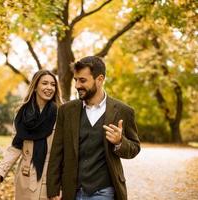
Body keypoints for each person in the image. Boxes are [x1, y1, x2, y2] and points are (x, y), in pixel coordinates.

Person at [47, 56, 141, 200]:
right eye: (76, 80)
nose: (77, 85)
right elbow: (57, 152)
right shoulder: (66, 110)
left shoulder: (123, 111)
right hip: (71, 191)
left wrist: (119, 142)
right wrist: (53, 188)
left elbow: (134, 148)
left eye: (82, 80)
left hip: (103, 191)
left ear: (100, 79)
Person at [0, 69, 62, 200]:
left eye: (53, 84)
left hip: (49, 179)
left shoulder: (61, 114)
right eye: (44, 83)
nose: (49, 87)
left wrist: (60, 185)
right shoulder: (22, 114)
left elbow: (65, 153)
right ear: (35, 87)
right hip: (25, 178)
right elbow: (15, 147)